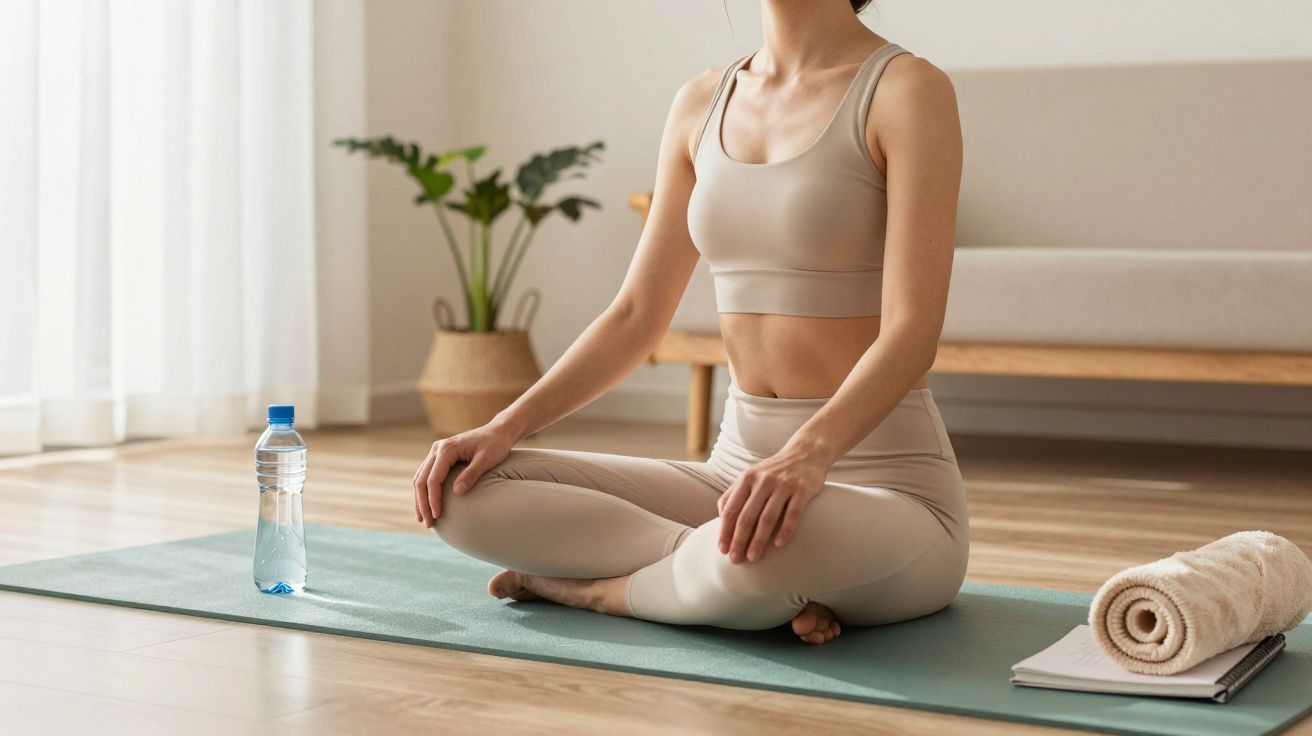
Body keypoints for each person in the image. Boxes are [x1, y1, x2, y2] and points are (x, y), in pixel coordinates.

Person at [412, 0, 966, 645]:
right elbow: (635, 315)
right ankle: (721, 581)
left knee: (767, 547)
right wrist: (502, 427)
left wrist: (805, 457)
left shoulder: (906, 89)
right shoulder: (701, 99)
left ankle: (606, 592)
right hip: (733, 473)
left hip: (887, 489)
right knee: (462, 492)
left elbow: (912, 330)